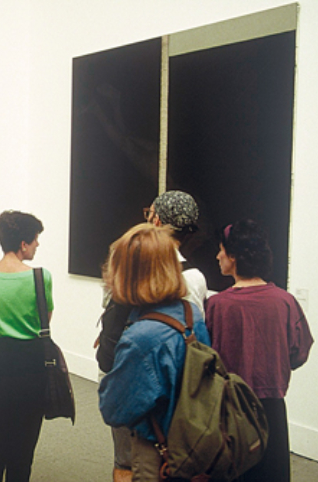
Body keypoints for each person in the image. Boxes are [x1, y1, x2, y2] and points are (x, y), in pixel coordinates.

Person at [105, 190, 207, 482]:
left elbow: (113, 406)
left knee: (129, 462)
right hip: (186, 399)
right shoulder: (196, 285)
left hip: (146, 407)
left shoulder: (140, 334)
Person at [205, 219, 314, 482]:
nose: (218, 256)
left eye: (221, 249)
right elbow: (299, 353)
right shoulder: (285, 302)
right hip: (271, 409)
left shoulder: (217, 305)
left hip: (229, 409)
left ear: (234, 256)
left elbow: (204, 360)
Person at [0, 210, 53, 482]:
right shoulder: (41, 277)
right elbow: (44, 322)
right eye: (35, 239)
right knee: (24, 444)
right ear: (23, 244)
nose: (37, 244)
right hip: (31, 362)